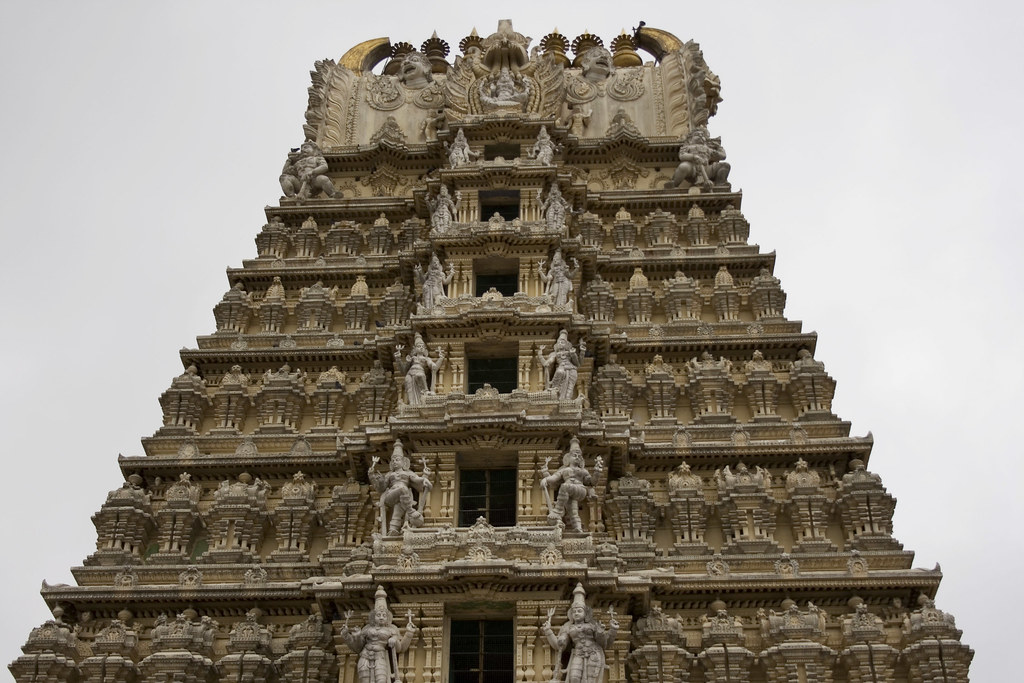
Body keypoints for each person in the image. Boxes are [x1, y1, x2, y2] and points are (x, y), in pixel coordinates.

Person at [541, 583, 618, 683]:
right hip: (578, 653)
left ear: (585, 613)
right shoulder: (568, 627)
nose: (576, 613)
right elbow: (558, 646)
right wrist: (548, 631)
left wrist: (612, 629)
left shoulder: (593, 625)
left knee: (591, 680)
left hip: (593, 653)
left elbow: (605, 643)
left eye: (579, 611)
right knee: (574, 677)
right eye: (574, 611)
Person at [339, 585, 417, 683]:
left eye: (384, 615)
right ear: (373, 617)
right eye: (378, 615)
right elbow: (357, 647)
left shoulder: (392, 629)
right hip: (365, 657)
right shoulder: (367, 629)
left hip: (380, 657)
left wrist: (409, 633)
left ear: (388, 617)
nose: (381, 617)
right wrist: (349, 635)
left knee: (381, 680)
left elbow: (400, 648)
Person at [368, 440, 432, 534]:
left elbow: (417, 480)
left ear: (404, 462)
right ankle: (410, 512)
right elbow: (381, 488)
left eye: (397, 460)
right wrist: (374, 476)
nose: (394, 462)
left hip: (403, 497)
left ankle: (393, 529)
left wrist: (425, 477)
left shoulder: (408, 473)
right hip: (391, 496)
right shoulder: (390, 474)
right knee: (403, 489)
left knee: (399, 508)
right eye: (393, 460)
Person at [540, 436, 599, 532]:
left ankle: (558, 511)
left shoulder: (583, 471)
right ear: (568, 458)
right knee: (573, 510)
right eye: (574, 455)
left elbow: (591, 482)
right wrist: (545, 478)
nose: (577, 457)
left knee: (565, 487)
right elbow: (554, 478)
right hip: (569, 493)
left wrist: (597, 473)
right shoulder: (564, 469)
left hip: (580, 489)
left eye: (579, 456)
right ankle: (577, 527)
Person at [394, 333, 446, 406]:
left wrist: (440, 359)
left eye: (422, 346)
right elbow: (403, 371)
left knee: (420, 375)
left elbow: (434, 367)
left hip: (419, 372)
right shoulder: (411, 358)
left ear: (425, 349)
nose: (421, 348)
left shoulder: (426, 359)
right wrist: (398, 359)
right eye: (419, 346)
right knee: (409, 388)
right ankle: (412, 404)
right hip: (410, 374)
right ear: (415, 348)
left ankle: (426, 391)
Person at [537, 330, 584, 400]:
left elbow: (578, 364)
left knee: (569, 391)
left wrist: (580, 352)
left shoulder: (570, 352)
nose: (560, 343)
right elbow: (547, 363)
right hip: (561, 370)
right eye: (559, 342)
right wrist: (540, 354)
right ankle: (556, 396)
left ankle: (567, 401)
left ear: (567, 344)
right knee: (559, 376)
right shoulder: (554, 354)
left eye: (562, 342)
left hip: (572, 371)